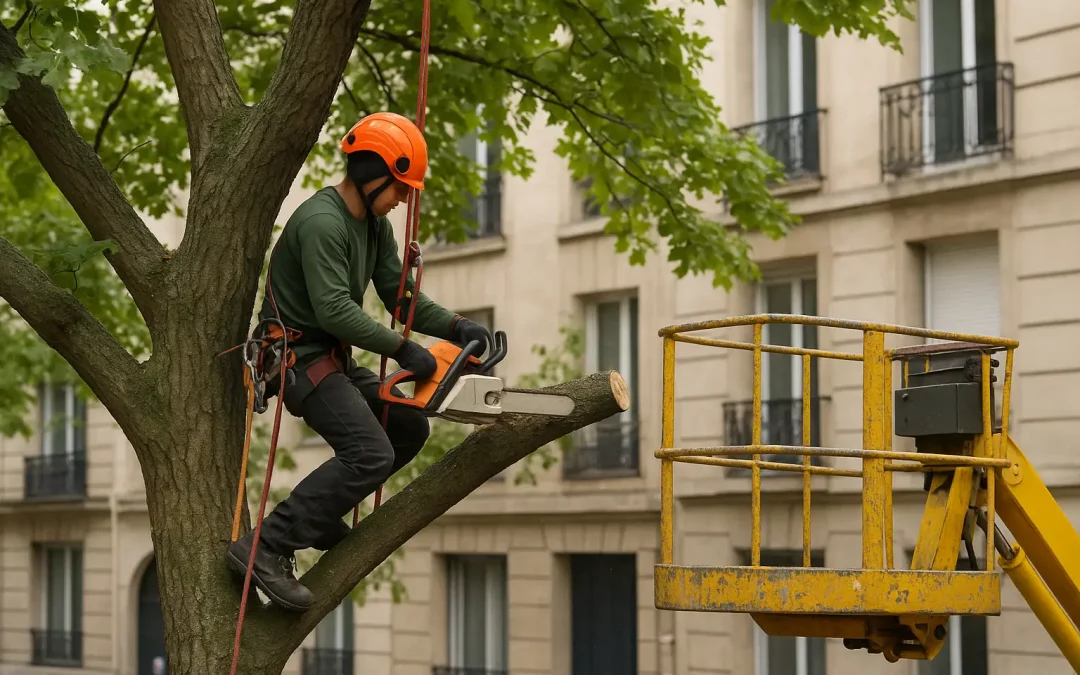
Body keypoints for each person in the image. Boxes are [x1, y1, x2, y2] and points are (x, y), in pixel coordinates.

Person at [226, 112, 492, 611]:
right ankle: (264, 547)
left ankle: (322, 515)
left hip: (333, 359)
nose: (403, 200)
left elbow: (398, 296)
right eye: (400, 188)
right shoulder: (323, 222)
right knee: (370, 453)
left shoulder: (375, 227)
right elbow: (334, 309)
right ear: (372, 172)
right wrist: (403, 349)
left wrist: (458, 326)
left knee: (409, 427)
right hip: (298, 361)